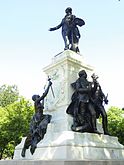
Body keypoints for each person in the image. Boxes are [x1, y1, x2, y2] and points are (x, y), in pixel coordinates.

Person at [21, 79, 52, 157]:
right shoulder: (36, 102)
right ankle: (25, 147)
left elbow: (43, 100)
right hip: (37, 118)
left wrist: (44, 97)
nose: (39, 96)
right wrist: (49, 85)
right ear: (35, 98)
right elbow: (44, 95)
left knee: (48, 118)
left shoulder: (39, 103)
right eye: (37, 96)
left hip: (41, 117)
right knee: (34, 133)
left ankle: (34, 140)